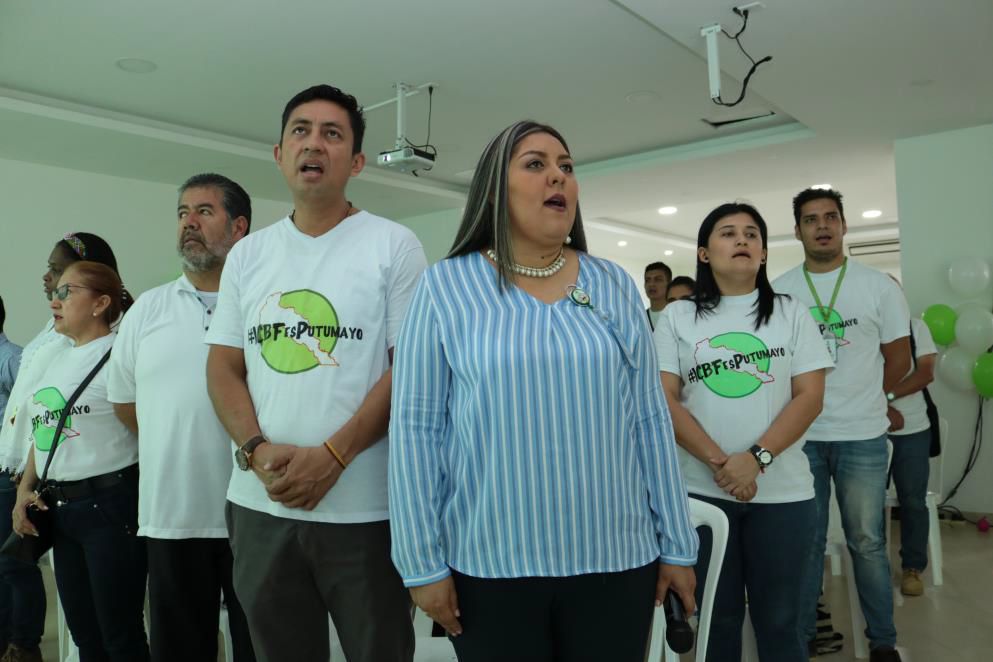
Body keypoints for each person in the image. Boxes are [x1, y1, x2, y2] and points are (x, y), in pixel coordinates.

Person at [388, 121, 698, 662]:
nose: (558, 176)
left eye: (566, 166)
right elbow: (416, 430)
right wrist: (420, 562)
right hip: (489, 563)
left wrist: (676, 543)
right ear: (494, 189)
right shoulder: (445, 286)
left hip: (617, 558)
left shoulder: (612, 283)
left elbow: (650, 418)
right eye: (535, 164)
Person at [205, 84, 426, 662]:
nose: (314, 144)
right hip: (262, 504)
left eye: (333, 134)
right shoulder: (248, 255)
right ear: (279, 153)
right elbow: (223, 366)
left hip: (365, 510)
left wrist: (332, 457)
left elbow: (410, 370)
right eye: (300, 131)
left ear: (356, 161)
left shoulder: (394, 246)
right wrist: (254, 449)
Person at [654, 202, 832, 661]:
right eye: (728, 233)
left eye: (752, 234)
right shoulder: (678, 317)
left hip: (784, 496)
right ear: (704, 253)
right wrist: (723, 464)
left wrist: (755, 459)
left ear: (765, 253)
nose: (742, 240)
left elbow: (809, 397)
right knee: (718, 620)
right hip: (702, 493)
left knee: (781, 622)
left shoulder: (791, 312)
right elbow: (663, 399)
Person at [107, 173, 256, 662]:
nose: (189, 222)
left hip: (256, 513)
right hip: (172, 516)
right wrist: (175, 440)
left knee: (262, 647)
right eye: (182, 213)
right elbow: (125, 403)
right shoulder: (147, 310)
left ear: (239, 226)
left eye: (204, 211)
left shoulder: (263, 306)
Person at [773, 188, 910, 662]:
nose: (822, 226)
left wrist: (871, 396)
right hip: (802, 439)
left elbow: (899, 358)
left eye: (830, 217)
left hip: (863, 436)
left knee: (867, 542)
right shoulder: (781, 291)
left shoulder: (878, 287)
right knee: (806, 544)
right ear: (797, 231)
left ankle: (883, 642)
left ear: (844, 225)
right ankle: (802, 638)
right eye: (811, 220)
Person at [12, 261, 149, 662]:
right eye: (56, 292)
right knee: (85, 635)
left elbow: (148, 428)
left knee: (120, 634)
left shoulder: (119, 354)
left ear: (100, 303)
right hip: (61, 509)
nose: (54, 301)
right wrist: (25, 489)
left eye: (67, 292)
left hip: (110, 506)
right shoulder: (57, 358)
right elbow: (45, 431)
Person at [886, 301, 937, 598]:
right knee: (868, 504)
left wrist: (885, 398)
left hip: (914, 430)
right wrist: (881, 407)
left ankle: (913, 567)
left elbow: (925, 374)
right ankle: (874, 566)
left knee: (913, 501)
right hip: (869, 430)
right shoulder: (866, 329)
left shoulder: (916, 327)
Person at [645, 261, 673, 330]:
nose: (651, 284)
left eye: (658, 280)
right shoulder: (640, 317)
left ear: (669, 284)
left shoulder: (676, 314)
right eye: (647, 280)